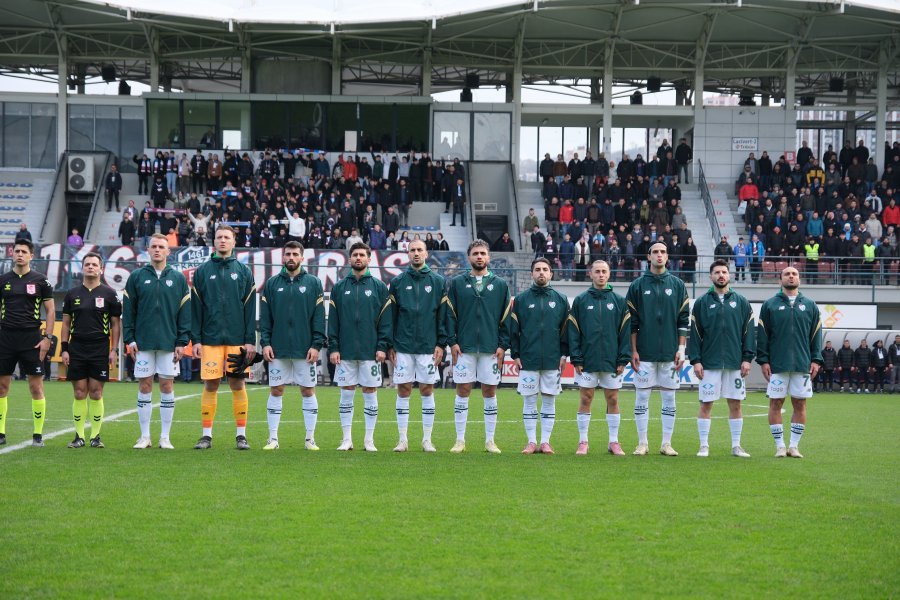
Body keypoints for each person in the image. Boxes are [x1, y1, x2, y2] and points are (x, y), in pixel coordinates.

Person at [190, 225, 257, 450]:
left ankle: (241, 436)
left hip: (238, 339)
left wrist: (250, 340)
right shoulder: (202, 271)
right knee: (211, 384)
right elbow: (196, 309)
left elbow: (250, 308)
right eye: (219, 237)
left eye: (227, 237)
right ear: (214, 242)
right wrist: (196, 339)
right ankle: (206, 436)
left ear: (234, 242)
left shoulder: (244, 271)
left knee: (238, 383)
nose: (222, 240)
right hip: (210, 339)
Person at [123, 234, 191, 450]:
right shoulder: (136, 277)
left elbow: (185, 313)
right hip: (143, 342)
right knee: (144, 385)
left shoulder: (178, 278)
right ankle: (145, 436)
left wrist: (182, 341)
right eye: (154, 246)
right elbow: (128, 311)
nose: (157, 250)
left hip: (169, 343)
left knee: (166, 386)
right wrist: (129, 339)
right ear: (148, 250)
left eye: (162, 247)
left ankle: (165, 437)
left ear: (168, 251)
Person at [444, 239, 511, 454]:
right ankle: (459, 440)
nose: (479, 257)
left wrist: (503, 345)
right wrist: (452, 341)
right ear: (469, 257)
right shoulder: (457, 283)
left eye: (483, 253)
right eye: (475, 253)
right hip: (464, 348)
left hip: (491, 348)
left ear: (489, 257)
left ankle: (490, 441)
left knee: (489, 392)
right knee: (463, 390)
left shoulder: (500, 285)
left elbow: (506, 318)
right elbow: (449, 315)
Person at [259, 241, 326, 450]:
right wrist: (265, 343)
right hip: (277, 348)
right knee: (276, 390)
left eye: (295, 254)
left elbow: (318, 317)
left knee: (308, 391)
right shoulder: (272, 284)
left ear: (302, 257)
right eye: (288, 254)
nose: (291, 257)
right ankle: (272, 439)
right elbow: (265, 318)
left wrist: (316, 344)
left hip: (304, 349)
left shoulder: (314, 283)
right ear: (283, 257)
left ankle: (309, 439)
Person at [625, 241, 690, 456]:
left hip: (671, 353)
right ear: (649, 256)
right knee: (642, 398)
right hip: (644, 353)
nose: (659, 255)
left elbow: (683, 320)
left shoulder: (678, 285)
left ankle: (666, 443)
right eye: (655, 252)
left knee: (669, 399)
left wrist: (681, 349)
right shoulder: (637, 286)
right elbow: (632, 323)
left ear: (667, 256)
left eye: (663, 251)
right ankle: (642, 443)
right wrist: (633, 350)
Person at [688, 259, 755, 458]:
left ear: (729, 275)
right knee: (706, 404)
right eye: (717, 272)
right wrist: (696, 360)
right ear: (711, 276)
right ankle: (703, 446)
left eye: (724, 272)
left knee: (736, 404)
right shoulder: (702, 302)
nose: (721, 275)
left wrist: (747, 358)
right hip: (710, 362)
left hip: (735, 362)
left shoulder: (741, 302)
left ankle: (736, 446)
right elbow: (695, 334)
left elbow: (748, 333)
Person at [328, 242, 392, 452]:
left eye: (362, 255)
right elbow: (333, 321)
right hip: (345, 351)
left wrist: (382, 346)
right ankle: (346, 439)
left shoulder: (379, 287)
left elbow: (385, 321)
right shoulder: (339, 287)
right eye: (355, 255)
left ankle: (369, 440)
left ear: (369, 259)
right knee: (346, 392)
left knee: (370, 391)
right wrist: (334, 347)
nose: (358, 258)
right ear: (349, 259)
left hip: (370, 351)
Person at [756, 266, 823, 458]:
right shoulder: (769, 305)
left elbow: (816, 335)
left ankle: (794, 446)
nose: (791, 276)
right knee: (775, 403)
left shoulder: (810, 305)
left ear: (799, 280)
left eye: (794, 274)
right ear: (780, 280)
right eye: (787, 274)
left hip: (802, 364)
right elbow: (763, 336)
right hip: (777, 365)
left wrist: (816, 359)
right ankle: (780, 446)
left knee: (800, 404)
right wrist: (764, 360)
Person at [387, 239, 447, 452]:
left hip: (428, 346)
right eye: (412, 250)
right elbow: (391, 316)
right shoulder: (397, 282)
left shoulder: (438, 282)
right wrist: (390, 344)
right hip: (402, 346)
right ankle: (402, 440)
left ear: (426, 253)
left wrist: (441, 343)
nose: (416, 253)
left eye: (420, 250)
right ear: (408, 253)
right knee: (403, 389)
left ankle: (427, 440)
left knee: (427, 389)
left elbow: (442, 316)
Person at [568, 260, 631, 456]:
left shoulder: (619, 301)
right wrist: (576, 358)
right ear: (591, 274)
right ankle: (583, 441)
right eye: (597, 271)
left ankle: (613, 442)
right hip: (587, 360)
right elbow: (573, 332)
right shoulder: (581, 301)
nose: (601, 275)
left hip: (612, 360)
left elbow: (625, 333)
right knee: (586, 398)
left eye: (604, 271)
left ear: (609, 274)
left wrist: (623, 359)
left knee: (613, 399)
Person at [61, 253, 122, 449]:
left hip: (99, 348)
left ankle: (95, 436)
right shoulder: (72, 294)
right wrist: (64, 349)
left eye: (94, 264)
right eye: (87, 264)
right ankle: (79, 436)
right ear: (82, 268)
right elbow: (66, 323)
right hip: (77, 348)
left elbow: (115, 324)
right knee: (79, 392)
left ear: (101, 269)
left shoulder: (110, 294)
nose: (90, 267)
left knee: (96, 392)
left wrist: (114, 350)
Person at [509, 258, 569, 455]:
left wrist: (564, 354)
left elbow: (566, 331)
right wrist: (515, 354)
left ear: (551, 273)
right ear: (531, 274)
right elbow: (514, 330)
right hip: (528, 359)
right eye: (537, 269)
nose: (541, 272)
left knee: (549, 400)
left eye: (545, 269)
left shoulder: (561, 299)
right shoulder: (521, 300)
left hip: (552, 359)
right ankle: (531, 441)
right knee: (529, 400)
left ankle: (545, 442)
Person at [0, 240, 55, 447]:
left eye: (24, 251)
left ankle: (38, 435)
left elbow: (50, 310)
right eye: (17, 251)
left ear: (31, 256)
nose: (20, 254)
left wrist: (47, 338)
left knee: (36, 386)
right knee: (2, 386)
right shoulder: (3, 280)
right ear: (12, 254)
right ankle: (1, 432)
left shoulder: (41, 281)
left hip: (31, 339)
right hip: (5, 338)